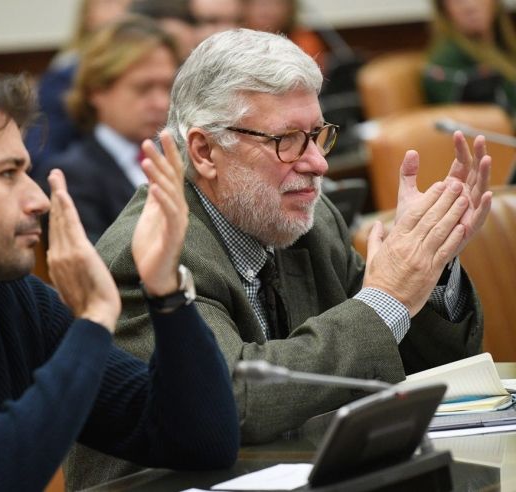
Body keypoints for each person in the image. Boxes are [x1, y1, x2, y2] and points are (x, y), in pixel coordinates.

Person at [93, 27, 491, 468]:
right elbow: (228, 404)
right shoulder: (147, 254)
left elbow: (426, 363)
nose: (318, 163)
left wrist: (429, 263)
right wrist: (385, 302)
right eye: (287, 140)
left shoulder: (312, 222)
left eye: (317, 135)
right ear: (204, 151)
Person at [0, 67, 239, 490]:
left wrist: (166, 291)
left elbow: (201, 442)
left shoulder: (17, 302)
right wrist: (93, 319)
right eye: (7, 174)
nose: (38, 199)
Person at [34, 15, 180, 243]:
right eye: (144, 88)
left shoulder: (183, 156)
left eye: (167, 87)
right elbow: (94, 261)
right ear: (97, 90)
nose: (162, 103)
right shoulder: (70, 176)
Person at [25, 0, 132, 170]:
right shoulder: (65, 73)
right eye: (109, 3)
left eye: (129, 4)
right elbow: (44, 151)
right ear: (87, 15)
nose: (122, 12)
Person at [423, 0, 516, 118]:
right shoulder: (446, 62)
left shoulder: (504, 46)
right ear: (443, 9)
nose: (470, 6)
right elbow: (484, 120)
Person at [241, 0, 326, 68]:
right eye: (260, 3)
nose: (266, 11)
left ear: (289, 8)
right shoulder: (238, 39)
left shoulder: (304, 41)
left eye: (276, 3)